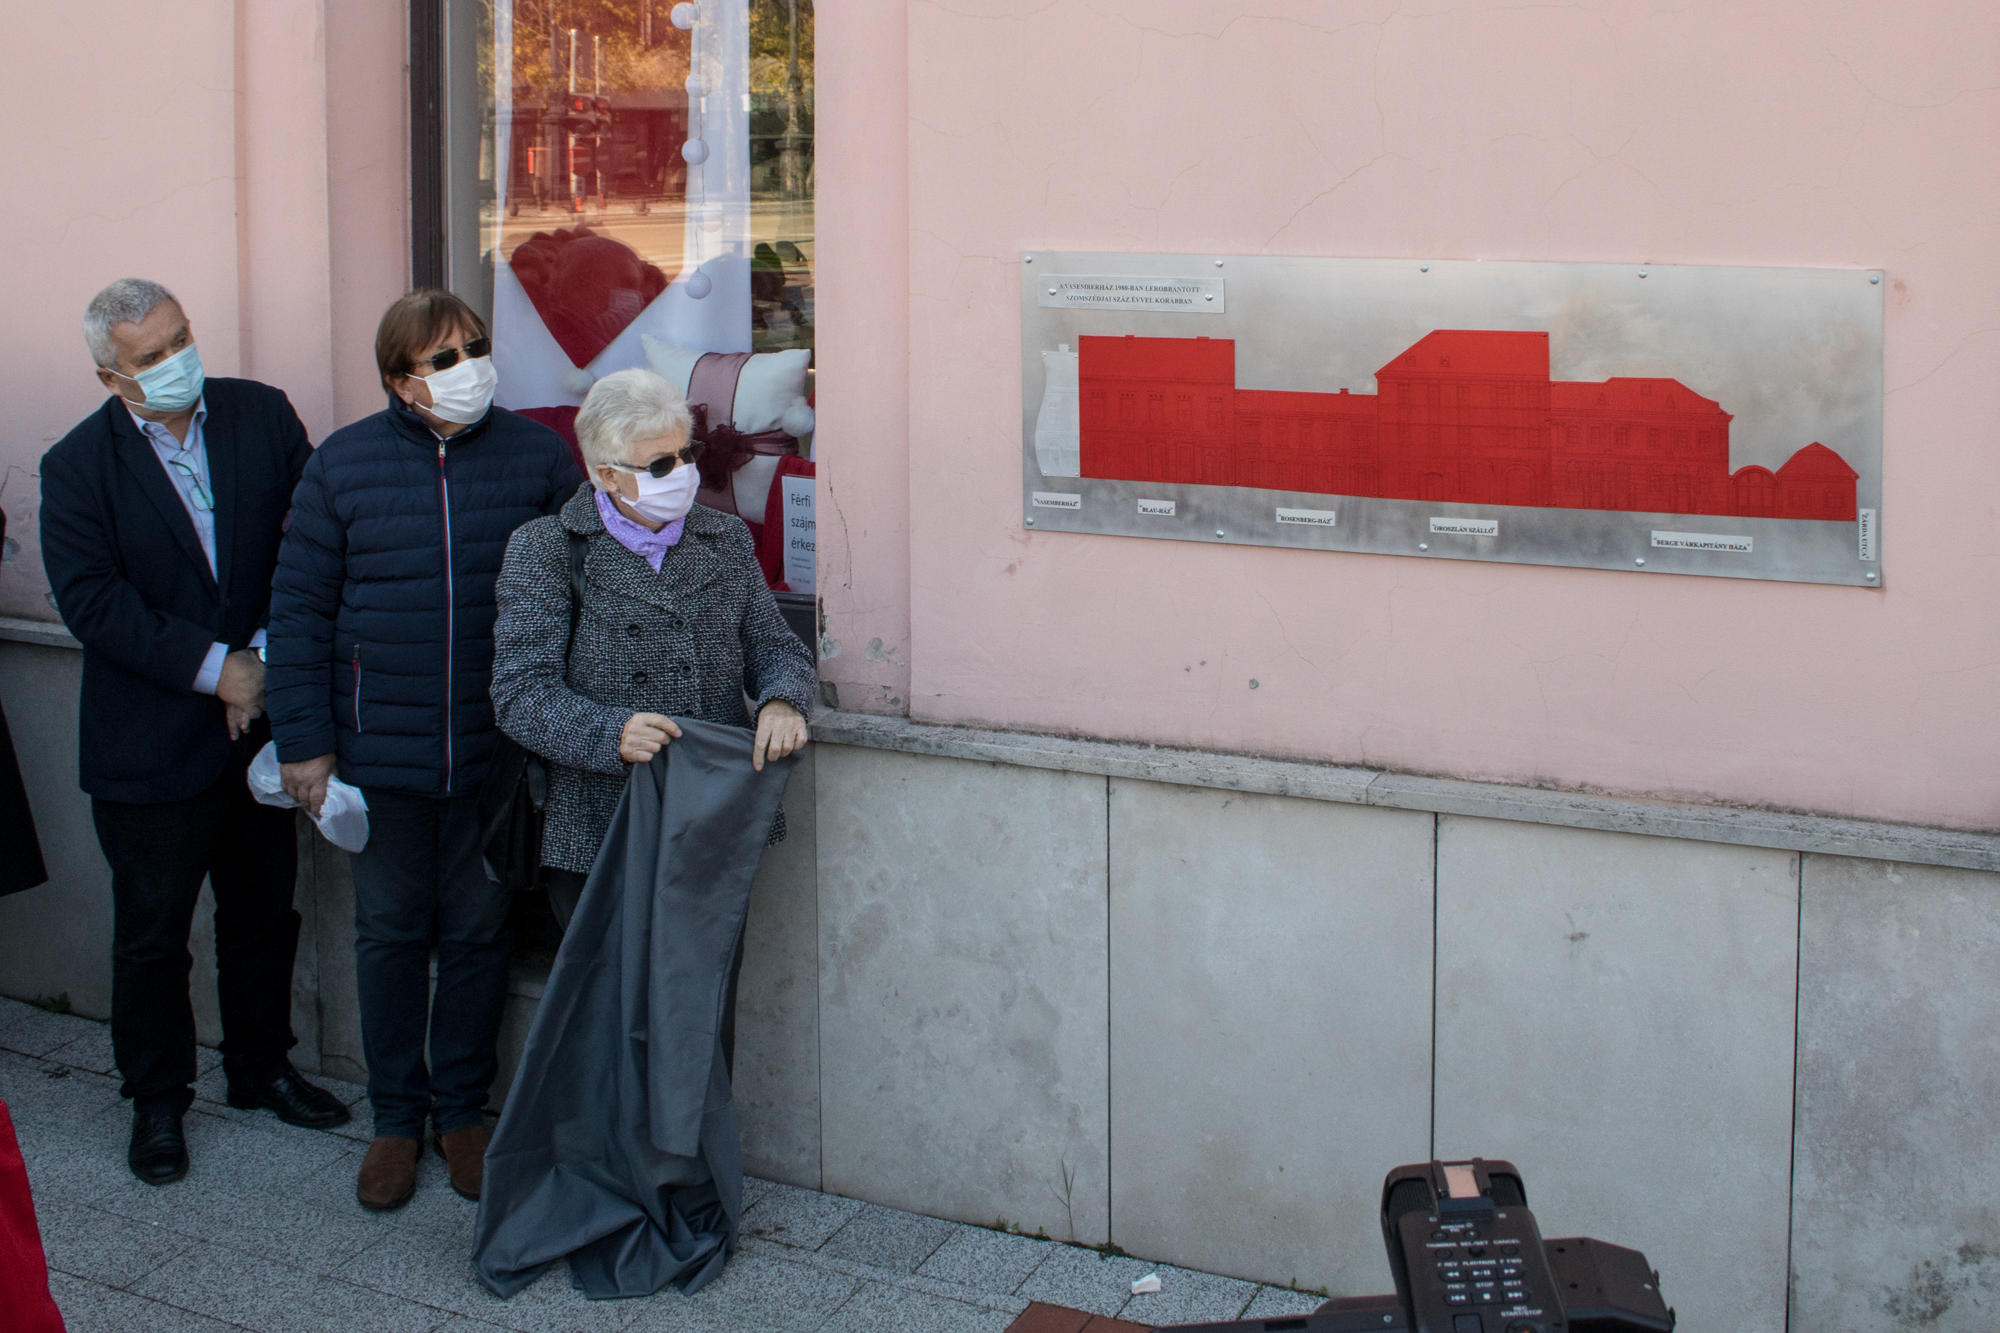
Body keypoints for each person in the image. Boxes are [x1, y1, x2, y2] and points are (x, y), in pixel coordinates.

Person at [264, 290, 582, 1213]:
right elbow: (299, 610)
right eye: (444, 358)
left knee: (480, 935)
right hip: (381, 755)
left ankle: (462, 1114)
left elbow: (579, 585)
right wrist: (305, 744)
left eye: (475, 347)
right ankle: (396, 1120)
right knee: (391, 936)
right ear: (400, 381)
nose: (469, 368)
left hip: (495, 755)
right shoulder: (343, 464)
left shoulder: (536, 457)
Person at [39, 278, 349, 1187]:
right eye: (151, 355)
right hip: (148, 745)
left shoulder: (261, 416)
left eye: (180, 338)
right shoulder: (75, 467)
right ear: (112, 377)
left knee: (263, 913)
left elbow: (312, 545)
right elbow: (93, 601)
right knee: (152, 935)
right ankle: (157, 1097)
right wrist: (218, 670)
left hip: (259, 733)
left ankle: (259, 1067)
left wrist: (263, 660)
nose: (176, 360)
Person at [489, 367, 814, 1029]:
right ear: (605, 475)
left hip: (711, 815)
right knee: (616, 1019)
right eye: (660, 463)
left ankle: (699, 1107)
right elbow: (519, 691)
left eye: (686, 453)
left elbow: (776, 647)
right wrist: (609, 733)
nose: (683, 472)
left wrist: (783, 701)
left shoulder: (725, 539)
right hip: (600, 826)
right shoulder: (546, 548)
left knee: (702, 1012)